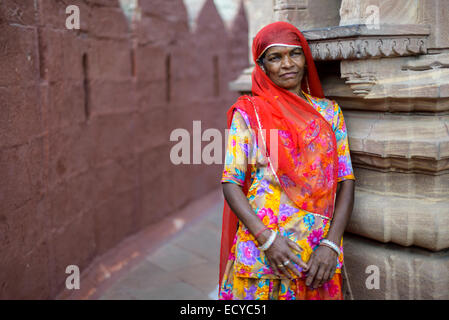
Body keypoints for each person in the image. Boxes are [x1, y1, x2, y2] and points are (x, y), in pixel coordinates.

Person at [218, 21, 355, 300]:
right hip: (262, 254)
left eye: (294, 54)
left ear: (305, 58)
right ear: (262, 66)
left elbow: (346, 181)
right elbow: (231, 182)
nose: (287, 64)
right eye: (275, 57)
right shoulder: (249, 113)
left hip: (316, 256)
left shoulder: (329, 113)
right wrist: (267, 240)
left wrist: (331, 244)